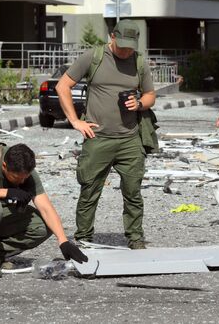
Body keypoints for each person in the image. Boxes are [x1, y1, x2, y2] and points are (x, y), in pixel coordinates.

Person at [56, 20, 156, 250]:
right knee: (89, 190)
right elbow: (63, 86)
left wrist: (139, 103)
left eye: (130, 46)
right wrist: (75, 121)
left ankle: (135, 238)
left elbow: (150, 95)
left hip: (130, 138)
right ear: (112, 36)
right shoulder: (93, 56)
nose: (126, 50)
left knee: (133, 191)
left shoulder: (139, 62)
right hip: (97, 138)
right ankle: (84, 239)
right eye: (122, 45)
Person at [0, 143, 88, 278]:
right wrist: (6, 192)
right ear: (4, 166)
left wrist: (63, 241)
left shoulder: (25, 170)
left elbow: (46, 208)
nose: (22, 182)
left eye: (25, 177)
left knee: (43, 226)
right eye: (17, 178)